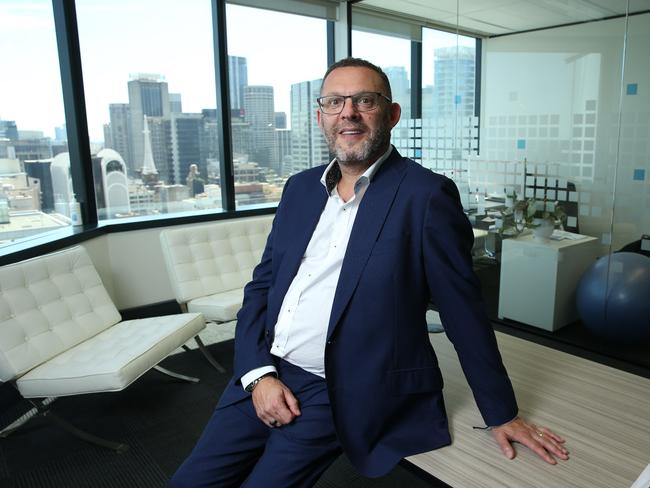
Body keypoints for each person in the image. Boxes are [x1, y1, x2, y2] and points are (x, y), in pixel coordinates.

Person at [171, 57, 569, 488]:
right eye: (335, 102)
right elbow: (263, 286)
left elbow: (462, 312)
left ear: (392, 114)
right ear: (320, 115)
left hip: (339, 388)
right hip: (264, 371)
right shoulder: (300, 189)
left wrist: (501, 413)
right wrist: (258, 373)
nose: (349, 113)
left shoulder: (426, 196)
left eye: (365, 100)